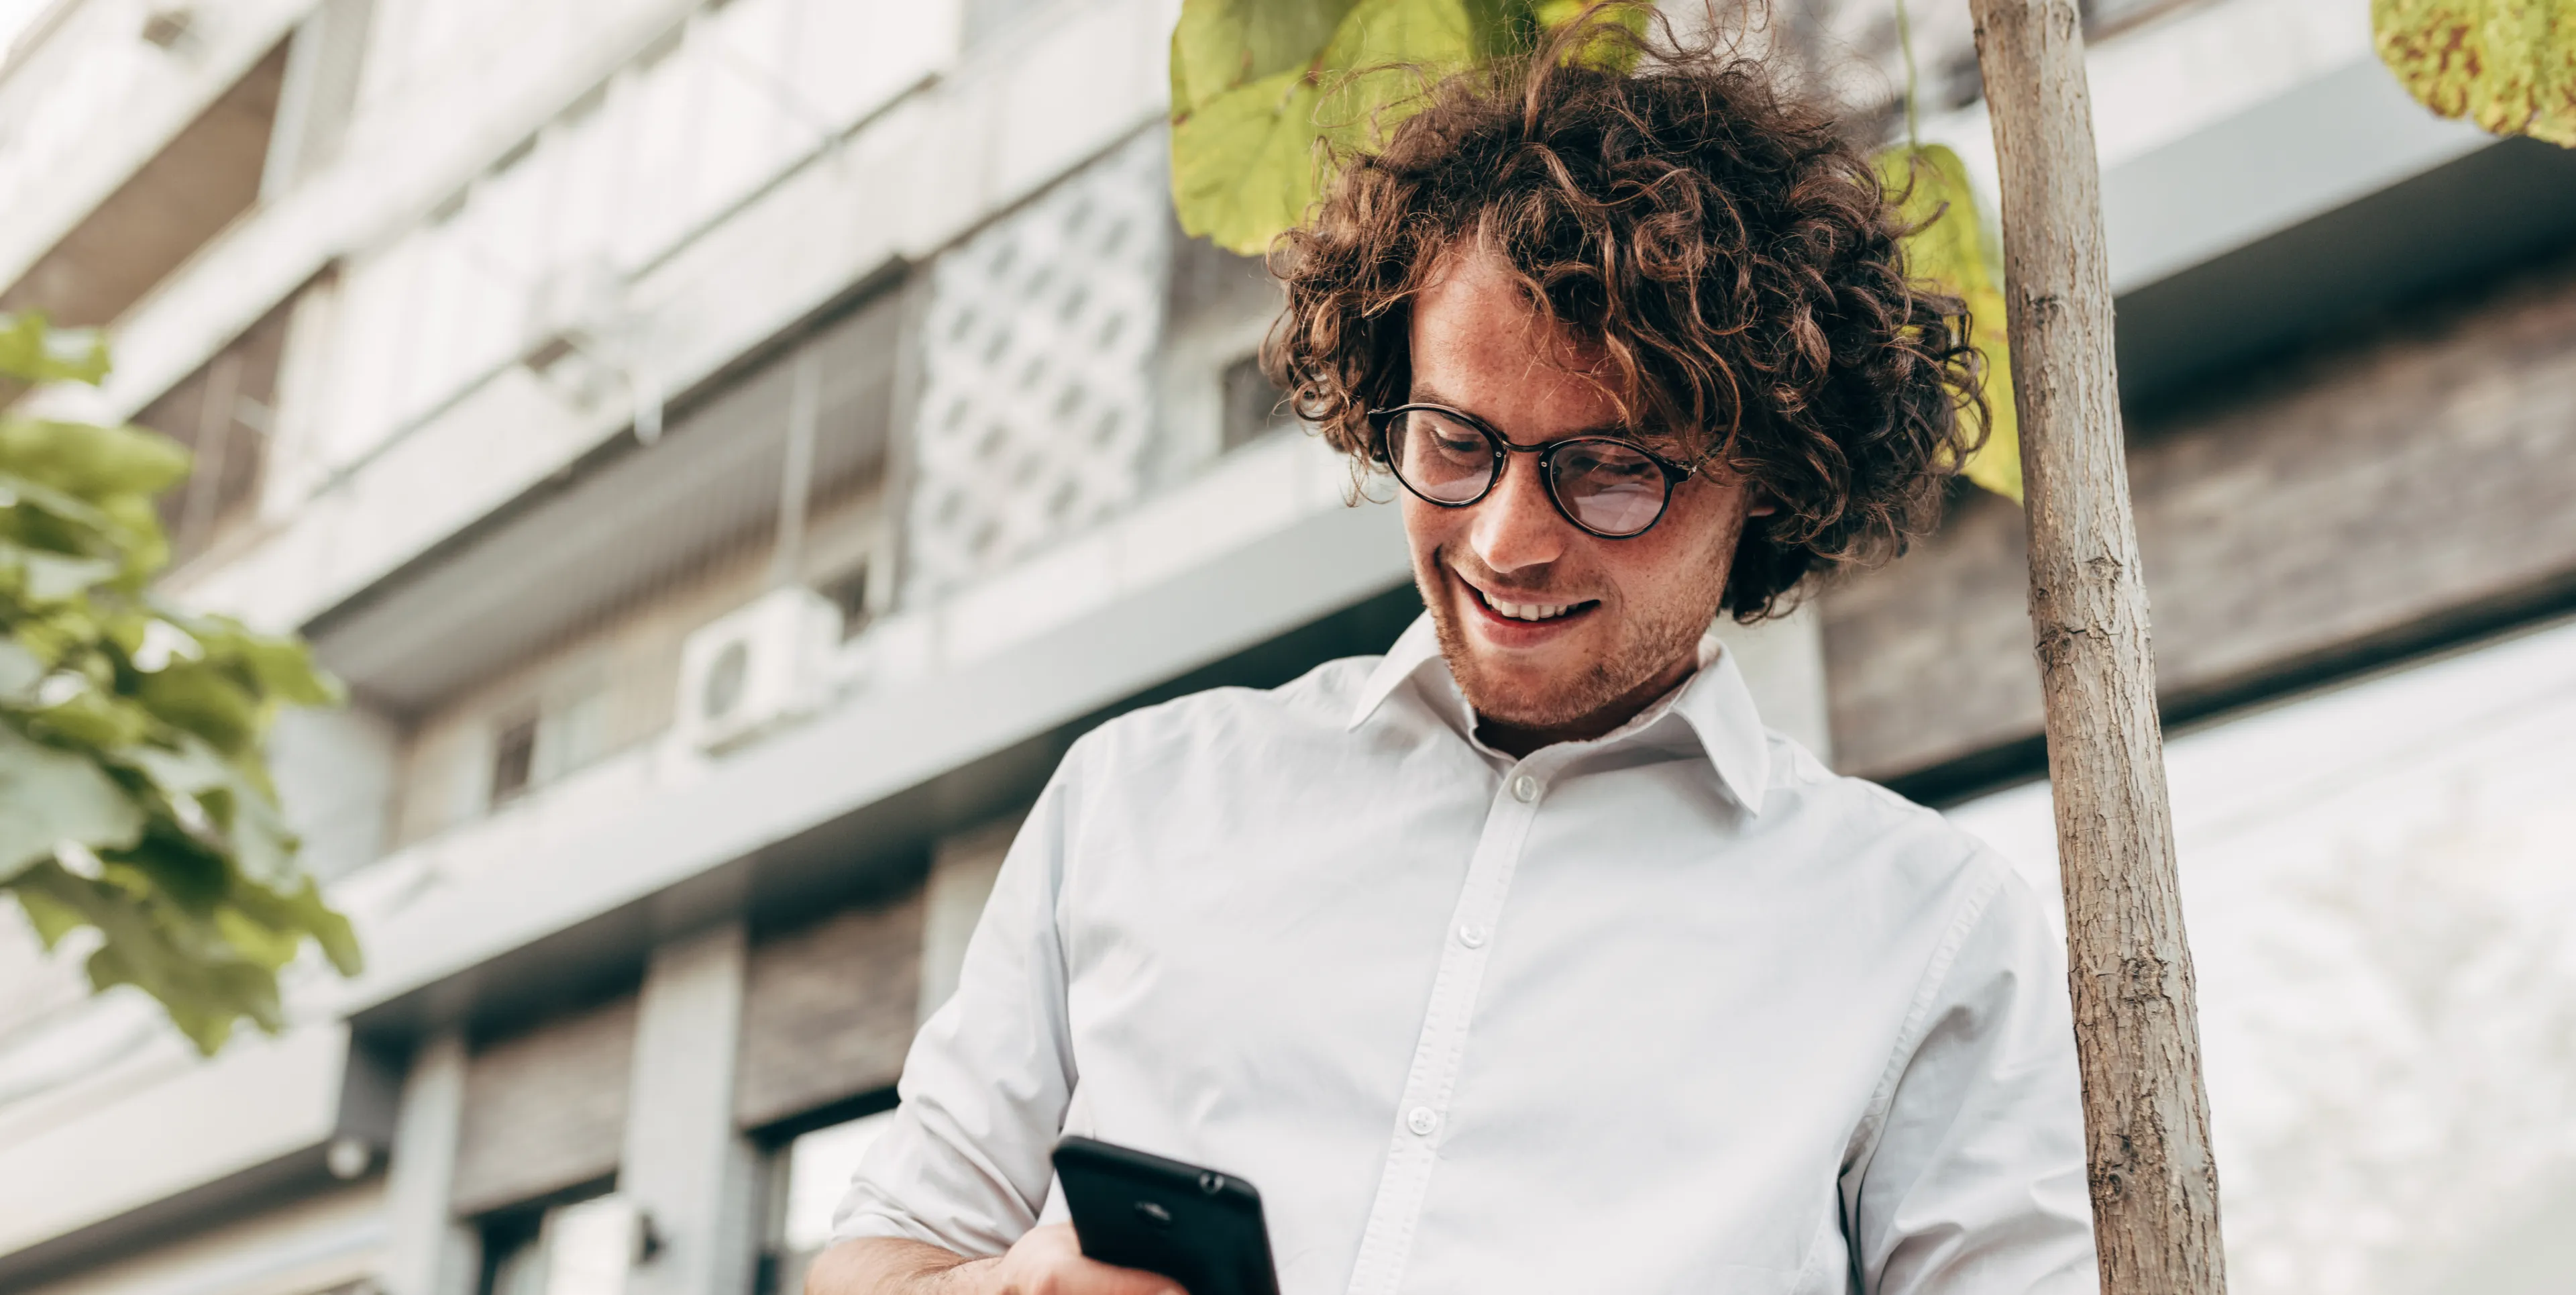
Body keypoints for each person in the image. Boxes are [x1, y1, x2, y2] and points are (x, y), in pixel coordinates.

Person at [808, 19, 2095, 1295]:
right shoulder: (1133, 800)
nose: (1504, 539)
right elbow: (883, 1252)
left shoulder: (1930, 934)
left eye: (1609, 468)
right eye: (1455, 441)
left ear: (1769, 477)